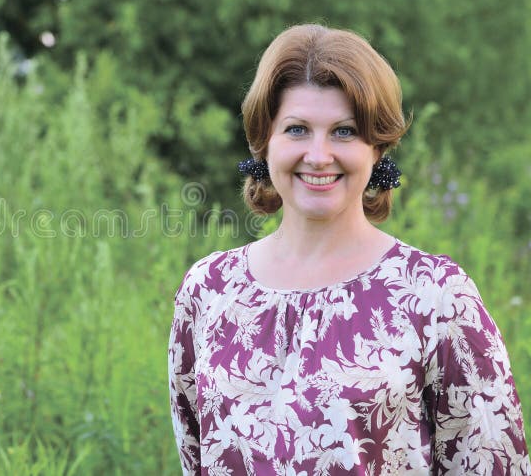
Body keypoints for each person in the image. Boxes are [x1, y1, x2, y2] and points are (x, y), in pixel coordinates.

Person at [168, 24, 530, 475]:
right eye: (297, 129)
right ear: (263, 142)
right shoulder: (209, 290)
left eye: (343, 132)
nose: (319, 155)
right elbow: (194, 456)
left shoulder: (434, 297)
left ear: (377, 148)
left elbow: (493, 464)